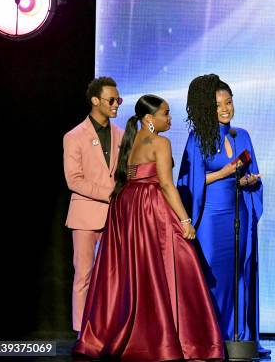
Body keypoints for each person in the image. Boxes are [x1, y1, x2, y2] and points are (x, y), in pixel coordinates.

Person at [73, 95, 223, 361]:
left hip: (127, 206)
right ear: (148, 119)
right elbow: (166, 184)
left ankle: (142, 333)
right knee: (178, 262)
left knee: (135, 272)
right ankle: (183, 340)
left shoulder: (130, 141)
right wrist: (185, 221)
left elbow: (128, 176)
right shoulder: (160, 143)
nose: (170, 119)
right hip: (150, 207)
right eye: (165, 114)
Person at [177, 74, 270, 357]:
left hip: (238, 214)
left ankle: (237, 337)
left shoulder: (241, 135)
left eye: (229, 102)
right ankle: (211, 338)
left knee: (240, 274)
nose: (226, 108)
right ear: (208, 108)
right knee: (214, 276)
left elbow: (241, 174)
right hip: (211, 218)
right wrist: (225, 172)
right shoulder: (199, 138)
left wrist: (247, 180)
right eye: (219, 105)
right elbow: (189, 181)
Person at [63, 76, 123, 334]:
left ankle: (111, 328)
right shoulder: (74, 136)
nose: (116, 104)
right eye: (112, 100)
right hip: (85, 215)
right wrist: (109, 193)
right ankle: (81, 331)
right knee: (84, 276)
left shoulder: (121, 134)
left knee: (115, 277)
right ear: (95, 100)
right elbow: (73, 179)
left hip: (115, 216)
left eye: (118, 100)